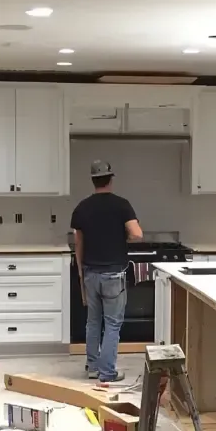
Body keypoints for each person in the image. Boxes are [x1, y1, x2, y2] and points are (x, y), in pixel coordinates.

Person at [71, 160, 142, 383]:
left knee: (93, 321)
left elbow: (78, 243)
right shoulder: (122, 205)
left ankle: (93, 367)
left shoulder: (82, 207)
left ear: (93, 181)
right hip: (113, 274)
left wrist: (81, 274)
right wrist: (122, 237)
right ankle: (107, 372)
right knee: (112, 323)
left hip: (91, 273)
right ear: (110, 179)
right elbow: (137, 234)